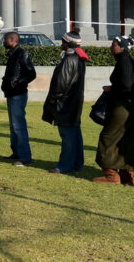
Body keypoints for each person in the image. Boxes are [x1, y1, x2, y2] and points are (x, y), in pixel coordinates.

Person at [94, 35, 134, 185]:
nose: (111, 47)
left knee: (108, 137)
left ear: (122, 47)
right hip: (130, 104)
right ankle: (127, 174)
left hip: (123, 105)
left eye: (113, 44)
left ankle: (111, 174)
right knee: (126, 137)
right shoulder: (125, 60)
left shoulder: (124, 61)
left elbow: (126, 85)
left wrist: (111, 89)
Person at [43, 30, 87, 174]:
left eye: (63, 41)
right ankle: (77, 164)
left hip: (66, 104)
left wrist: (54, 99)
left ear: (67, 44)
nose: (61, 44)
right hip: (74, 102)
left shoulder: (70, 59)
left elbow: (61, 84)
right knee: (75, 134)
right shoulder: (79, 58)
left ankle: (65, 166)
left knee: (67, 135)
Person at [2, 31, 36, 167]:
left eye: (5, 40)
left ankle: (25, 157)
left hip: (18, 94)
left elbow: (31, 73)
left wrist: (17, 82)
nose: (3, 42)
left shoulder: (22, 53)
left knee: (18, 125)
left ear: (12, 40)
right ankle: (16, 152)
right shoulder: (13, 54)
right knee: (13, 125)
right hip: (11, 93)